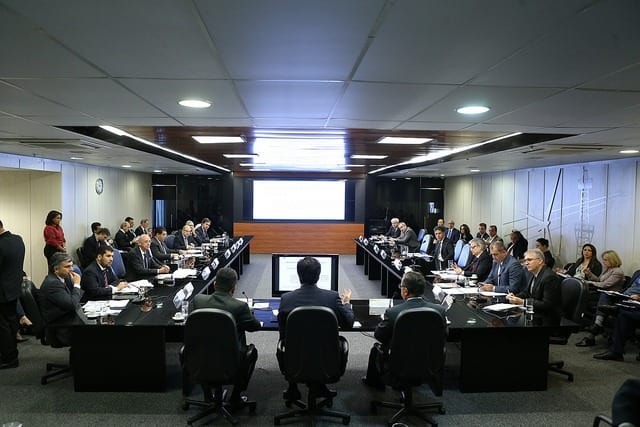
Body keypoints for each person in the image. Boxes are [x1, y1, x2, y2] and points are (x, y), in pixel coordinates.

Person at [277, 257, 354, 401]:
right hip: (326, 356)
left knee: (285, 339)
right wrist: (347, 303)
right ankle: (319, 385)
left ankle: (292, 387)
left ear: (298, 275)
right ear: (319, 275)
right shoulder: (332, 297)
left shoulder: (286, 298)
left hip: (296, 357)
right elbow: (348, 322)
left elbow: (282, 329)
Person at [362, 270, 446, 389]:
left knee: (376, 349)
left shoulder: (393, 312)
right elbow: (443, 335)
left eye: (401, 287)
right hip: (429, 362)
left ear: (405, 291)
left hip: (399, 364)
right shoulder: (439, 311)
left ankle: (374, 384)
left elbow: (379, 335)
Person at [193, 267, 260, 406]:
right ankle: (235, 397)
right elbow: (255, 327)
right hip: (230, 359)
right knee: (251, 352)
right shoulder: (240, 306)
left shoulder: (198, 300)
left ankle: (208, 395)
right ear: (234, 288)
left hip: (201, 356)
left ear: (214, 283)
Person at [575, 250, 625, 347]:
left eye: (606, 260)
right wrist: (589, 275)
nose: (604, 262)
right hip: (604, 294)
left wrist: (590, 282)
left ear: (612, 260)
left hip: (613, 297)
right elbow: (599, 280)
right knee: (583, 296)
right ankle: (591, 326)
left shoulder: (618, 271)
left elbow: (605, 285)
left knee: (603, 295)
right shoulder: (608, 269)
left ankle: (596, 325)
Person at [39, 253, 83, 347]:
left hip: (67, 318)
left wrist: (74, 284)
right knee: (96, 332)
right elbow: (72, 304)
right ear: (56, 269)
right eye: (67, 267)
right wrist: (76, 284)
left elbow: (77, 297)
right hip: (60, 327)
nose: (71, 269)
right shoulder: (53, 284)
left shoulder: (63, 278)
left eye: (71, 266)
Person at [0, 220, 26, 369]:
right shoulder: (18, 239)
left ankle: (9, 358)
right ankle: (11, 354)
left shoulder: (1, 245)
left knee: (3, 326)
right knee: (11, 322)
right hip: (14, 289)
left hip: (2, 291)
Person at [506, 249, 561, 315]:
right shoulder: (532, 273)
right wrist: (514, 297)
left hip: (547, 317)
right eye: (525, 260)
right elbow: (527, 293)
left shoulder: (549, 277)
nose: (526, 263)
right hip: (535, 312)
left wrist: (523, 302)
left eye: (529, 260)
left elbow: (547, 304)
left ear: (540, 261)